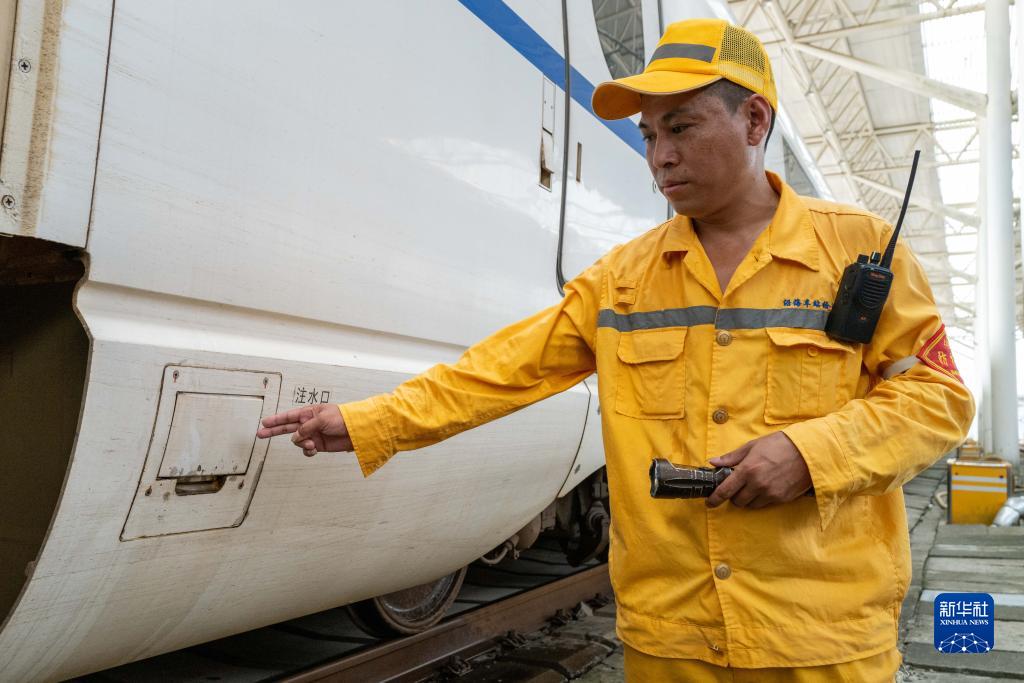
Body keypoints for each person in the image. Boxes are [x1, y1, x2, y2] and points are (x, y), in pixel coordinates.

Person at [257, 18, 974, 682]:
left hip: (820, 637)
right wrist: (370, 421)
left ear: (754, 119)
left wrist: (811, 455)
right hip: (671, 637)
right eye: (649, 135)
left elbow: (938, 400)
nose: (660, 157)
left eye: (682, 128)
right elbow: (498, 371)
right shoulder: (623, 280)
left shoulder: (860, 252)